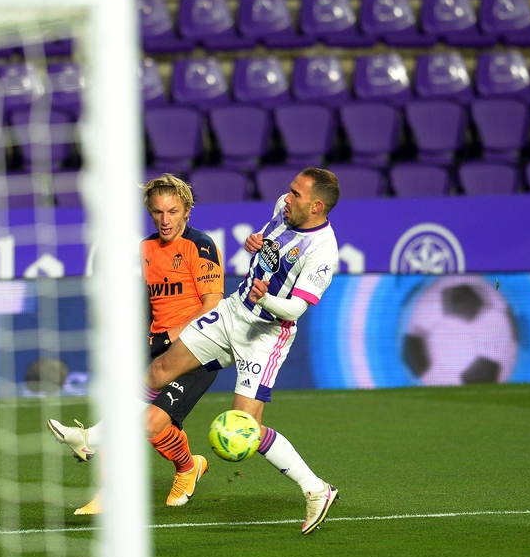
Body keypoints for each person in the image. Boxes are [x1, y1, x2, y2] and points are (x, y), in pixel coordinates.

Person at [145, 168, 340, 534]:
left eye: (296, 194)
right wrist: (257, 243)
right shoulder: (284, 208)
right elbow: (269, 243)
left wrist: (265, 296)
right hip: (234, 310)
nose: (287, 196)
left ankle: (316, 489)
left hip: (266, 334)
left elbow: (297, 309)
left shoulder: (323, 252)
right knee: (159, 370)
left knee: (245, 429)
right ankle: (98, 436)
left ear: (316, 206)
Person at [48, 174, 223, 514]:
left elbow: (213, 304)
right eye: (158, 212)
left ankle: (184, 467)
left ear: (187, 211)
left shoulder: (200, 246)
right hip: (156, 347)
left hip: (200, 350)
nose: (165, 219)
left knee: (150, 423)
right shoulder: (146, 248)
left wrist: (171, 335)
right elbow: (151, 298)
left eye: (173, 211)